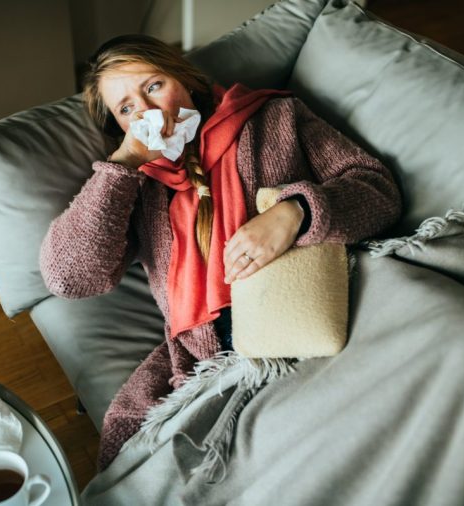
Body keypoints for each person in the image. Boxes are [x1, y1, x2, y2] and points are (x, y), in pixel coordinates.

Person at [39, 34, 401, 471]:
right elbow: (69, 277)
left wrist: (294, 213)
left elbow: (377, 191)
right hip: (213, 357)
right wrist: (127, 160)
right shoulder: (137, 188)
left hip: (307, 315)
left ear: (186, 81)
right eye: (127, 109)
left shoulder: (275, 117)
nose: (148, 112)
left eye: (153, 86)